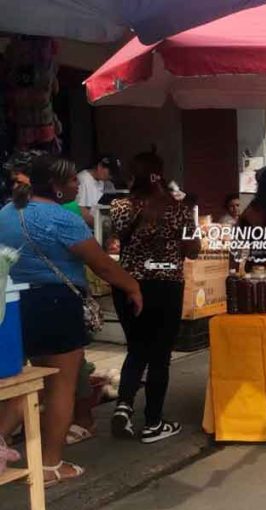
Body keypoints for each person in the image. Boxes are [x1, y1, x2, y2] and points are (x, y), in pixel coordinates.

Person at [0, 154, 142, 485]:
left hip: (16, 305)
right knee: (59, 386)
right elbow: (102, 265)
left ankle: (6, 439)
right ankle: (50, 464)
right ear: (56, 187)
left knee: (27, 382)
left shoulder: (6, 213)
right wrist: (133, 286)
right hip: (56, 304)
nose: (78, 184)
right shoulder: (62, 219)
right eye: (72, 181)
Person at [109, 149, 200, 444]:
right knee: (160, 355)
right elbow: (192, 250)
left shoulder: (120, 207)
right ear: (161, 175)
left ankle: (123, 406)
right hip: (165, 286)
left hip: (128, 285)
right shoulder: (179, 209)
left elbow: (117, 240)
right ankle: (153, 422)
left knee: (137, 348)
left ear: (132, 177)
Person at [75, 154, 121, 227]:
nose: (111, 176)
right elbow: (81, 211)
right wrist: (101, 226)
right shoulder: (83, 179)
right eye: (110, 172)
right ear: (100, 167)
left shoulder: (105, 182)